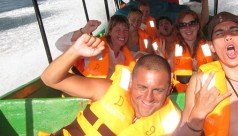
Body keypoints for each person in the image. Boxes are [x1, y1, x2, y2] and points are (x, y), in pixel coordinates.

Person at [40, 35, 181, 135]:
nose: (148, 97)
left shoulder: (169, 120)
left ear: (169, 89)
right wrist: (74, 52)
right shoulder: (106, 89)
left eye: (158, 90)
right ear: (131, 82)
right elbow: (50, 79)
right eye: (142, 87)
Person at [55, 16, 135, 78]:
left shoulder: (124, 55)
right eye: (118, 30)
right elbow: (60, 45)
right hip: (87, 94)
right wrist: (84, 30)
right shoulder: (95, 46)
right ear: (110, 31)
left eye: (125, 30)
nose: (122, 33)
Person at [171, 9, 213, 92]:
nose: (188, 28)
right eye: (183, 25)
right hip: (181, 96)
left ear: (198, 26)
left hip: (205, 92)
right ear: (179, 29)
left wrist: (197, 70)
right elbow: (167, 73)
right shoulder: (174, 50)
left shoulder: (209, 47)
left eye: (192, 24)